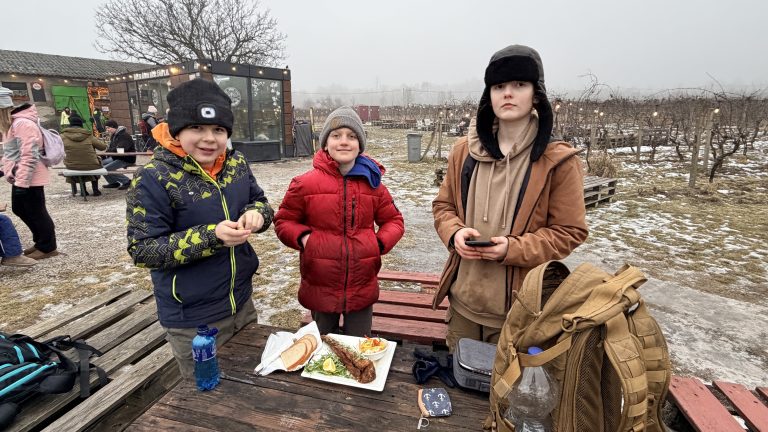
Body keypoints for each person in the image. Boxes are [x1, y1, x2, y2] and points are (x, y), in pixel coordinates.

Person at [432, 45, 588, 350]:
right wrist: (455, 232)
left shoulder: (558, 160)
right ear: (488, 94)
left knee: (506, 395)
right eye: (499, 86)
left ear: (536, 94)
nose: (507, 93)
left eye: (519, 85)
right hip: (463, 303)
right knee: (460, 384)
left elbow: (570, 231)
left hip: (518, 313)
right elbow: (443, 206)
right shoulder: (463, 151)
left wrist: (513, 249)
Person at [126, 78, 274, 378]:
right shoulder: (154, 177)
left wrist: (257, 214)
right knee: (207, 396)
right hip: (193, 318)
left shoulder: (236, 164)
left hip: (241, 303)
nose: (209, 138)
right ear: (178, 130)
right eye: (197, 128)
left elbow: (259, 201)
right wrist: (212, 235)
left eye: (218, 130)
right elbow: (142, 250)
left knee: (251, 383)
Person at [274, 107, 405, 337]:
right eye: (336, 136)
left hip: (362, 286)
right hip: (320, 285)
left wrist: (379, 244)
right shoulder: (304, 184)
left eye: (351, 136)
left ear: (360, 144)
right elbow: (284, 221)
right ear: (325, 143)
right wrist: (305, 239)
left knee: (358, 349)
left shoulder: (374, 185)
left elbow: (394, 220)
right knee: (323, 347)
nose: (344, 142)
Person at [0, 86, 59, 260]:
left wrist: (22, 181)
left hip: (28, 176)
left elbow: (29, 155)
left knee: (36, 211)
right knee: (21, 209)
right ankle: (41, 241)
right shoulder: (12, 125)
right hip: (19, 175)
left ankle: (48, 246)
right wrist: (6, 170)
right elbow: (11, 153)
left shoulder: (23, 124)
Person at [62, 112, 108, 196]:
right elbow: (102, 147)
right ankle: (95, 190)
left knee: (78, 164)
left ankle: (83, 191)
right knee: (95, 163)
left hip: (72, 165)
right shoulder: (88, 135)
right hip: (91, 165)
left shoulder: (63, 136)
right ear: (81, 125)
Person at [102, 119, 136, 190]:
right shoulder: (114, 135)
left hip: (126, 158)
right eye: (106, 128)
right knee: (99, 164)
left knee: (105, 168)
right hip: (117, 157)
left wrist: (109, 152)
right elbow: (112, 148)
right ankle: (113, 182)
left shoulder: (124, 135)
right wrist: (106, 154)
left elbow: (121, 149)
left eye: (108, 128)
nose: (107, 130)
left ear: (114, 127)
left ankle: (127, 181)